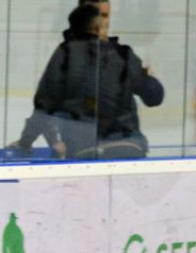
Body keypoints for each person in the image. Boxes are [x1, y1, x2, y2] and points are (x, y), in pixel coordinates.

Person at [9, 1, 164, 160]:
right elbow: (155, 97)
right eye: (99, 16)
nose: (105, 21)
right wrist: (148, 78)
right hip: (127, 148)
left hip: (88, 151)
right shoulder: (122, 55)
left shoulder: (67, 54)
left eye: (105, 15)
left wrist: (25, 142)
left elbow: (44, 107)